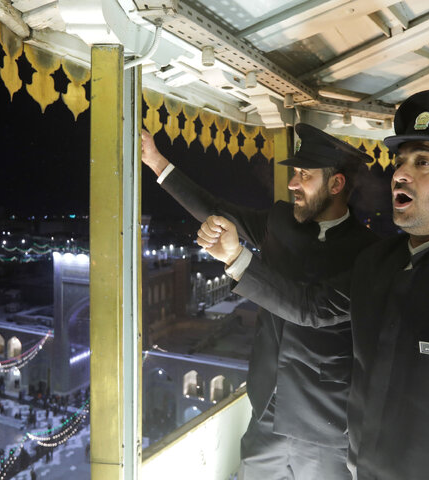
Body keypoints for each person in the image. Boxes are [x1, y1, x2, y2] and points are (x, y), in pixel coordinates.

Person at [199, 90, 429, 479]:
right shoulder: (377, 263)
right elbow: (313, 307)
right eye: (399, 162)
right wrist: (233, 257)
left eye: (423, 161)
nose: (401, 174)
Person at [142, 124, 378, 479]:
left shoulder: (369, 255)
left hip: (327, 426)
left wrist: (236, 258)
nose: (292, 183)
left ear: (336, 184)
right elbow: (215, 208)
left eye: (304, 175)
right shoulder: (280, 220)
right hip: (266, 409)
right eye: (294, 173)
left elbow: (309, 308)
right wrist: (157, 162)